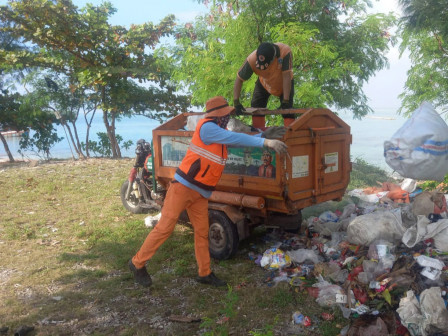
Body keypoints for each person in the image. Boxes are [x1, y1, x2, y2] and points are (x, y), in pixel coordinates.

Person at [129, 96, 287, 287]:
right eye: (225, 115)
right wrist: (266, 143)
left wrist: (262, 136)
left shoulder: (217, 132)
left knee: (202, 232)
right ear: (217, 115)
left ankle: (204, 273)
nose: (227, 118)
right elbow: (233, 137)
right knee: (164, 228)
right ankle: (137, 263)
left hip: (200, 193)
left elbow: (234, 141)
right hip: (183, 188)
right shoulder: (207, 127)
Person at [233, 42, 295, 129]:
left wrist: (285, 100)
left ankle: (291, 133)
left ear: (273, 59)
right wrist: (236, 102)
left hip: (284, 84)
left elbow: (286, 76)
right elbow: (239, 79)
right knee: (256, 106)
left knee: (287, 110)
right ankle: (259, 132)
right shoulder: (251, 59)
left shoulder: (285, 52)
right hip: (264, 83)